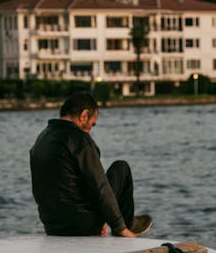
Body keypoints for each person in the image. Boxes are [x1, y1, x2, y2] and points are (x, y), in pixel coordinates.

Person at [29, 91, 152, 237]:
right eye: (92, 124)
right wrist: (118, 226)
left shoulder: (41, 139)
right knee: (121, 168)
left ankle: (114, 220)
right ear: (84, 115)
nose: (90, 130)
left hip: (53, 226)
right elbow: (99, 185)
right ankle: (127, 223)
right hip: (82, 224)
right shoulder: (79, 139)